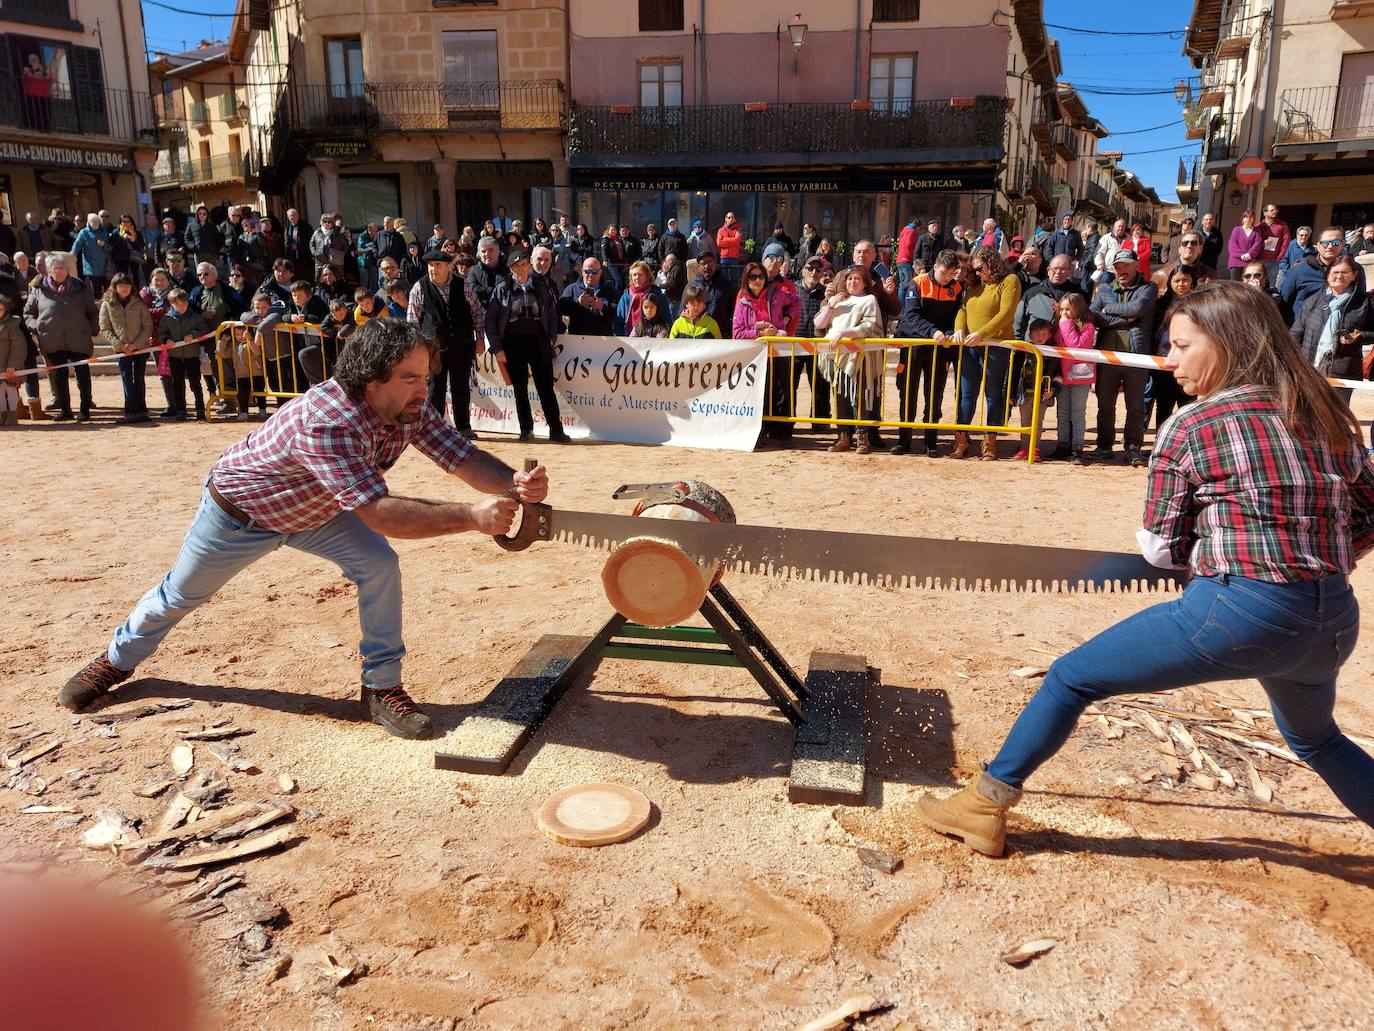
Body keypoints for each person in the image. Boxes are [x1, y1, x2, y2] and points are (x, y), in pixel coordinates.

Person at [915, 281, 1374, 856]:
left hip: (1239, 614)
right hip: (1332, 621)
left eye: (1182, 346)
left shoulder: (1191, 426)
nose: (1170, 361)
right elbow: (1368, 514)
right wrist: (1312, 554)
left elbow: (1160, 549)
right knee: (1320, 741)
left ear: (1228, 342)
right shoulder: (1322, 412)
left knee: (1071, 677)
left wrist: (1218, 563)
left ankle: (983, 806)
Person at [59, 319, 550, 738]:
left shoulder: (405, 405)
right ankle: (116, 660)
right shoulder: (327, 421)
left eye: (425, 376)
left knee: (378, 566)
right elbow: (379, 513)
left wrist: (514, 484)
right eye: (409, 377)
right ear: (370, 378)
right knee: (179, 596)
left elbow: (457, 454)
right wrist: (470, 517)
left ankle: (381, 687)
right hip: (242, 515)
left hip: (319, 510)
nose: (423, 389)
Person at [486, 248, 568, 444]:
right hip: (513, 342)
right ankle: (526, 430)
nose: (520, 269)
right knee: (520, 389)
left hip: (538, 340)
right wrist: (498, 348)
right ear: (511, 268)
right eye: (516, 266)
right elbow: (491, 320)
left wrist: (550, 339)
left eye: (523, 264)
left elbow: (550, 314)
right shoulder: (502, 288)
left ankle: (556, 431)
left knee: (545, 387)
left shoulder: (541, 285)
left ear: (529, 265)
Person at [951, 246, 1021, 461]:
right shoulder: (974, 286)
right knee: (966, 395)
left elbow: (1006, 313)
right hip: (971, 348)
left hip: (995, 348)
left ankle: (989, 442)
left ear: (992, 263)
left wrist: (982, 334)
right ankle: (961, 441)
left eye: (980, 269)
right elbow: (962, 310)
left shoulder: (1010, 281)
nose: (977, 273)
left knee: (993, 396)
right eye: (975, 270)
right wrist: (958, 329)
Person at [1090, 250, 1158, 467]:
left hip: (1135, 357)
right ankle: (1104, 446)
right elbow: (1093, 316)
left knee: (1135, 405)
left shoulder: (1148, 288)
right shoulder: (1105, 289)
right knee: (1105, 404)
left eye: (1126, 265)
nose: (1121, 270)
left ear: (1136, 265)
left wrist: (1109, 309)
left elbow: (1137, 308)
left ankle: (1132, 447)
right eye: (1118, 266)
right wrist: (1126, 320)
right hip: (1107, 357)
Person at [410, 248, 485, 436]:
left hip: (463, 344)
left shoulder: (464, 285)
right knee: (435, 388)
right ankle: (435, 429)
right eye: (431, 265)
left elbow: (477, 312)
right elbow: (412, 321)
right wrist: (417, 348)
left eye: (438, 265)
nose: (433, 269)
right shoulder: (419, 287)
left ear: (449, 266)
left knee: (461, 387)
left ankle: (463, 427)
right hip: (433, 348)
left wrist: (480, 337)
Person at [894, 249, 962, 457]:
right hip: (915, 345)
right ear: (936, 266)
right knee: (908, 392)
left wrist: (950, 333)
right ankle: (904, 441)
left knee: (935, 394)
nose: (948, 277)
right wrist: (932, 331)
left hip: (941, 349)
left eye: (952, 273)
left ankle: (930, 441)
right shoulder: (918, 283)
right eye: (944, 273)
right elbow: (910, 317)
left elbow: (957, 315)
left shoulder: (957, 288)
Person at [814, 265, 883, 454]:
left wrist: (844, 334)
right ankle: (844, 436)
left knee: (858, 397)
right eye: (850, 279)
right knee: (841, 397)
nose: (852, 282)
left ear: (865, 283)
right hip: (836, 356)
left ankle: (862, 438)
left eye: (857, 279)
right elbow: (819, 323)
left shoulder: (869, 300)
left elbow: (869, 326)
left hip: (858, 357)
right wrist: (830, 304)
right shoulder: (838, 300)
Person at [24, 253, 98, 422]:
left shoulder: (81, 288)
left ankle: (85, 409)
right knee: (59, 376)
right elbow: (28, 313)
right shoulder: (38, 289)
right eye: (55, 268)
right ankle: (65, 410)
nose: (59, 271)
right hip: (52, 340)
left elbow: (92, 312)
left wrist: (94, 328)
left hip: (78, 338)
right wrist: (37, 327)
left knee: (83, 375)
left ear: (68, 270)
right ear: (49, 270)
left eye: (62, 268)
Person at [1290, 255, 1370, 388]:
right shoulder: (1314, 301)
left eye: (1345, 272)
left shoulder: (1365, 302)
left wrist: (1360, 336)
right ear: (1327, 275)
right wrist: (1296, 362)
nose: (1339, 276)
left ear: (1354, 275)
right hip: (1309, 369)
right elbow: (1296, 333)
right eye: (1335, 272)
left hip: (1343, 373)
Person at [1148, 266, 1198, 430]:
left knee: (1188, 405)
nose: (1181, 284)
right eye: (1177, 280)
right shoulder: (1160, 304)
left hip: (1190, 363)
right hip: (1164, 363)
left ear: (1192, 282)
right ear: (1170, 283)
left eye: (1185, 280)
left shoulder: (1200, 305)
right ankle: (1161, 444)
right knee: (1164, 406)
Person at [1046, 296, 1096, 464]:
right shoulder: (1057, 326)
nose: (1064, 313)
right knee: (1062, 412)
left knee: (1077, 413)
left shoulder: (1088, 326)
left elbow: (1075, 346)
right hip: (1062, 375)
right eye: (1062, 310)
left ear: (1078, 309)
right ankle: (1062, 445)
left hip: (1081, 376)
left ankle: (1077, 448)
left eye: (1068, 309)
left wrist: (1065, 323)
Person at [98, 274, 153, 424]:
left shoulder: (139, 303)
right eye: (121, 286)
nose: (124, 289)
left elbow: (147, 326)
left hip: (140, 347)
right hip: (121, 348)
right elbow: (105, 328)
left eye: (127, 286)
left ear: (131, 287)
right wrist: (120, 345)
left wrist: (136, 345)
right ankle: (130, 411)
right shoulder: (107, 304)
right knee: (126, 379)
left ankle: (142, 410)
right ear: (115, 287)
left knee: (139, 379)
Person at [1283, 227, 1360, 319]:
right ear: (1318, 245)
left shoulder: (1354, 270)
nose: (1330, 246)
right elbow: (1285, 302)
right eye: (1325, 243)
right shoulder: (1299, 270)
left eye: (1336, 242)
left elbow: (1359, 302)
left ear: (1343, 244)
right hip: (1302, 327)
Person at [156, 289, 209, 421]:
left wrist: (193, 335)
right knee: (178, 384)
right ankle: (181, 409)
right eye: (178, 305)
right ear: (171, 304)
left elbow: (204, 329)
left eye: (184, 304)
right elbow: (161, 333)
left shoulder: (195, 317)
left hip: (192, 355)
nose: (182, 307)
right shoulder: (166, 319)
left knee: (195, 383)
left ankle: (200, 408)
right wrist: (166, 339)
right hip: (175, 356)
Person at [141, 268, 175, 417]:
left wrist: (157, 311)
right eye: (156, 279)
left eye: (163, 279)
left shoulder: (174, 293)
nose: (159, 282)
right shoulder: (145, 294)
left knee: (177, 373)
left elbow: (177, 309)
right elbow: (143, 312)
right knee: (164, 374)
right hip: (155, 340)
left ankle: (180, 404)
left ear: (168, 281)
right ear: (151, 280)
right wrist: (163, 310)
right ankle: (171, 404)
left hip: (174, 339)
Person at [559, 257, 618, 335]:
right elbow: (561, 309)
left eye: (594, 272)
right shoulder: (571, 289)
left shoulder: (610, 290)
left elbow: (617, 314)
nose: (590, 275)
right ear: (582, 271)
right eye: (587, 271)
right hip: (578, 339)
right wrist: (578, 303)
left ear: (600, 272)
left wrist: (602, 307)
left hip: (603, 340)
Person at [614, 260, 670, 336]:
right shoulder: (625, 297)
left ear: (647, 276)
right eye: (634, 275)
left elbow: (667, 321)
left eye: (640, 274)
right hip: (628, 341)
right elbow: (618, 323)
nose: (637, 277)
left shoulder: (658, 296)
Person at [688, 251, 737, 334]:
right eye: (703, 263)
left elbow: (734, 312)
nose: (707, 266)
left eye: (710, 262)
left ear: (716, 264)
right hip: (698, 336)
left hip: (721, 335)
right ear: (698, 266)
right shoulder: (691, 287)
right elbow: (683, 312)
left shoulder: (726, 286)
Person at [0, 297, 29, 426]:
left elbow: (19, 347)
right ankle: (2, 415)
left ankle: (12, 415)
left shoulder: (12, 325)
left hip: (8, 368)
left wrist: (13, 365)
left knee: (10, 392)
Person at [72, 213, 112, 297]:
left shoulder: (103, 232)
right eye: (93, 221)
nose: (95, 223)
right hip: (91, 268)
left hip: (104, 267)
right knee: (95, 291)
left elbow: (110, 248)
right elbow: (77, 244)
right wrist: (73, 254)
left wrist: (104, 245)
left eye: (97, 221)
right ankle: (96, 307)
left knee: (107, 290)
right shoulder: (84, 232)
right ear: (89, 222)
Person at [467, 236, 509, 310]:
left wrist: (483, 291)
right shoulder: (473, 270)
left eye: (491, 250)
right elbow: (471, 290)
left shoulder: (508, 269)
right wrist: (495, 291)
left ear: (498, 251)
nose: (487, 254)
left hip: (504, 311)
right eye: (483, 251)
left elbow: (508, 290)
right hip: (481, 312)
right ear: (479, 254)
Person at [1259, 203, 1291, 287]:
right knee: (1259, 283)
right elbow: (1254, 241)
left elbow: (1286, 241)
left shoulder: (1282, 225)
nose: (1275, 212)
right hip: (1260, 260)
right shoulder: (1259, 226)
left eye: (1275, 210)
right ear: (1265, 213)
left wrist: (1279, 257)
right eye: (1272, 210)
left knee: (1271, 286)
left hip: (1274, 261)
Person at [1227, 210, 1263, 282]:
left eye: (1251, 217)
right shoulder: (1236, 230)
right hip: (1236, 261)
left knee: (1246, 285)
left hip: (1249, 262)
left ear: (1253, 219)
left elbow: (1257, 244)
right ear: (1243, 219)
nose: (1248, 219)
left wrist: (1249, 254)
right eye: (1246, 217)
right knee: (1235, 285)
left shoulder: (1257, 231)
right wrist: (1241, 255)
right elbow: (1232, 246)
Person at [184, 206, 223, 270]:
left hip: (211, 254)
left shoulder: (212, 226)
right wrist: (193, 246)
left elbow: (219, 239)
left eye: (204, 214)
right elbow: (187, 239)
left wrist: (216, 249)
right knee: (201, 272)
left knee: (212, 273)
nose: (202, 215)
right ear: (197, 214)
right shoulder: (191, 226)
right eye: (200, 213)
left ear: (207, 215)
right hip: (199, 254)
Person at [894, 217, 918, 293]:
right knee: (906, 283)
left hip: (899, 260)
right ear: (917, 226)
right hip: (906, 259)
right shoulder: (911, 231)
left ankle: (900, 303)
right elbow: (908, 244)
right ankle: (902, 303)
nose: (918, 231)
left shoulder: (904, 230)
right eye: (919, 229)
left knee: (902, 283)